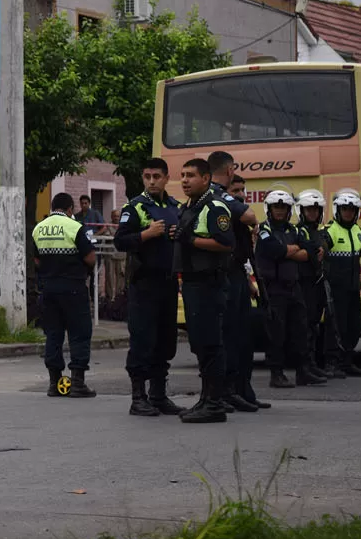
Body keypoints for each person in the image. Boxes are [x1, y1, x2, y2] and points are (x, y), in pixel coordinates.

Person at [113, 158, 184, 418]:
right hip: (144, 283)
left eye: (156, 176)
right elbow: (120, 241)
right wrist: (147, 234)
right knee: (142, 340)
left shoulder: (175, 207)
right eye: (147, 176)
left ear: (166, 178)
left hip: (168, 282)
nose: (152, 181)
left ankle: (158, 395)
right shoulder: (135, 207)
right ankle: (138, 398)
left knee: (165, 341)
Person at [172, 158, 235, 424]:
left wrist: (192, 240)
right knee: (200, 344)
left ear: (206, 179)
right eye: (183, 175)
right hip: (192, 283)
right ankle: (206, 399)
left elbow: (226, 243)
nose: (185, 180)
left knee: (210, 344)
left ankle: (215, 404)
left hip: (208, 283)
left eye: (191, 175)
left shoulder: (214, 206)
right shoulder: (190, 207)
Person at [206, 153, 267, 414]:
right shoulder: (218, 198)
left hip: (238, 275)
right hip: (223, 275)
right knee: (229, 337)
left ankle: (243, 389)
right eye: (236, 190)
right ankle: (226, 391)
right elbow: (249, 217)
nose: (240, 195)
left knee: (243, 337)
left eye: (243, 190)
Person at [255, 190, 324, 389]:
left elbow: (311, 251)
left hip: (294, 288)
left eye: (283, 207)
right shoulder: (263, 229)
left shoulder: (294, 231)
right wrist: (291, 250)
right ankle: (276, 374)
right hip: (273, 289)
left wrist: (287, 252)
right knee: (276, 334)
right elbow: (273, 250)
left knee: (301, 331)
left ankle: (304, 372)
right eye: (276, 207)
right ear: (269, 209)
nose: (280, 211)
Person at [32, 193, 98, 398]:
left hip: (49, 290)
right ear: (70, 208)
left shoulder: (39, 228)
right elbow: (90, 258)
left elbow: (36, 261)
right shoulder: (75, 226)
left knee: (53, 334)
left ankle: (55, 383)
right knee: (79, 333)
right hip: (73, 289)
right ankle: (77, 383)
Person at [295, 190, 343, 379]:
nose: (313, 213)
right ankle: (304, 368)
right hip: (305, 284)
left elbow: (322, 251)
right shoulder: (300, 230)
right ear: (302, 211)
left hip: (317, 284)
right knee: (305, 327)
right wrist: (317, 251)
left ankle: (312, 364)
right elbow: (310, 253)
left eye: (316, 209)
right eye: (309, 210)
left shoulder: (317, 231)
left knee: (314, 326)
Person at [325, 189, 361, 377]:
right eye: (345, 209)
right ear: (338, 210)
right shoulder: (330, 231)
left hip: (352, 289)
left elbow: (357, 258)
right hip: (336, 289)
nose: (348, 212)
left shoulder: (358, 232)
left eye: (352, 209)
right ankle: (331, 363)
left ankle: (347, 362)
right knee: (335, 327)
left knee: (354, 325)